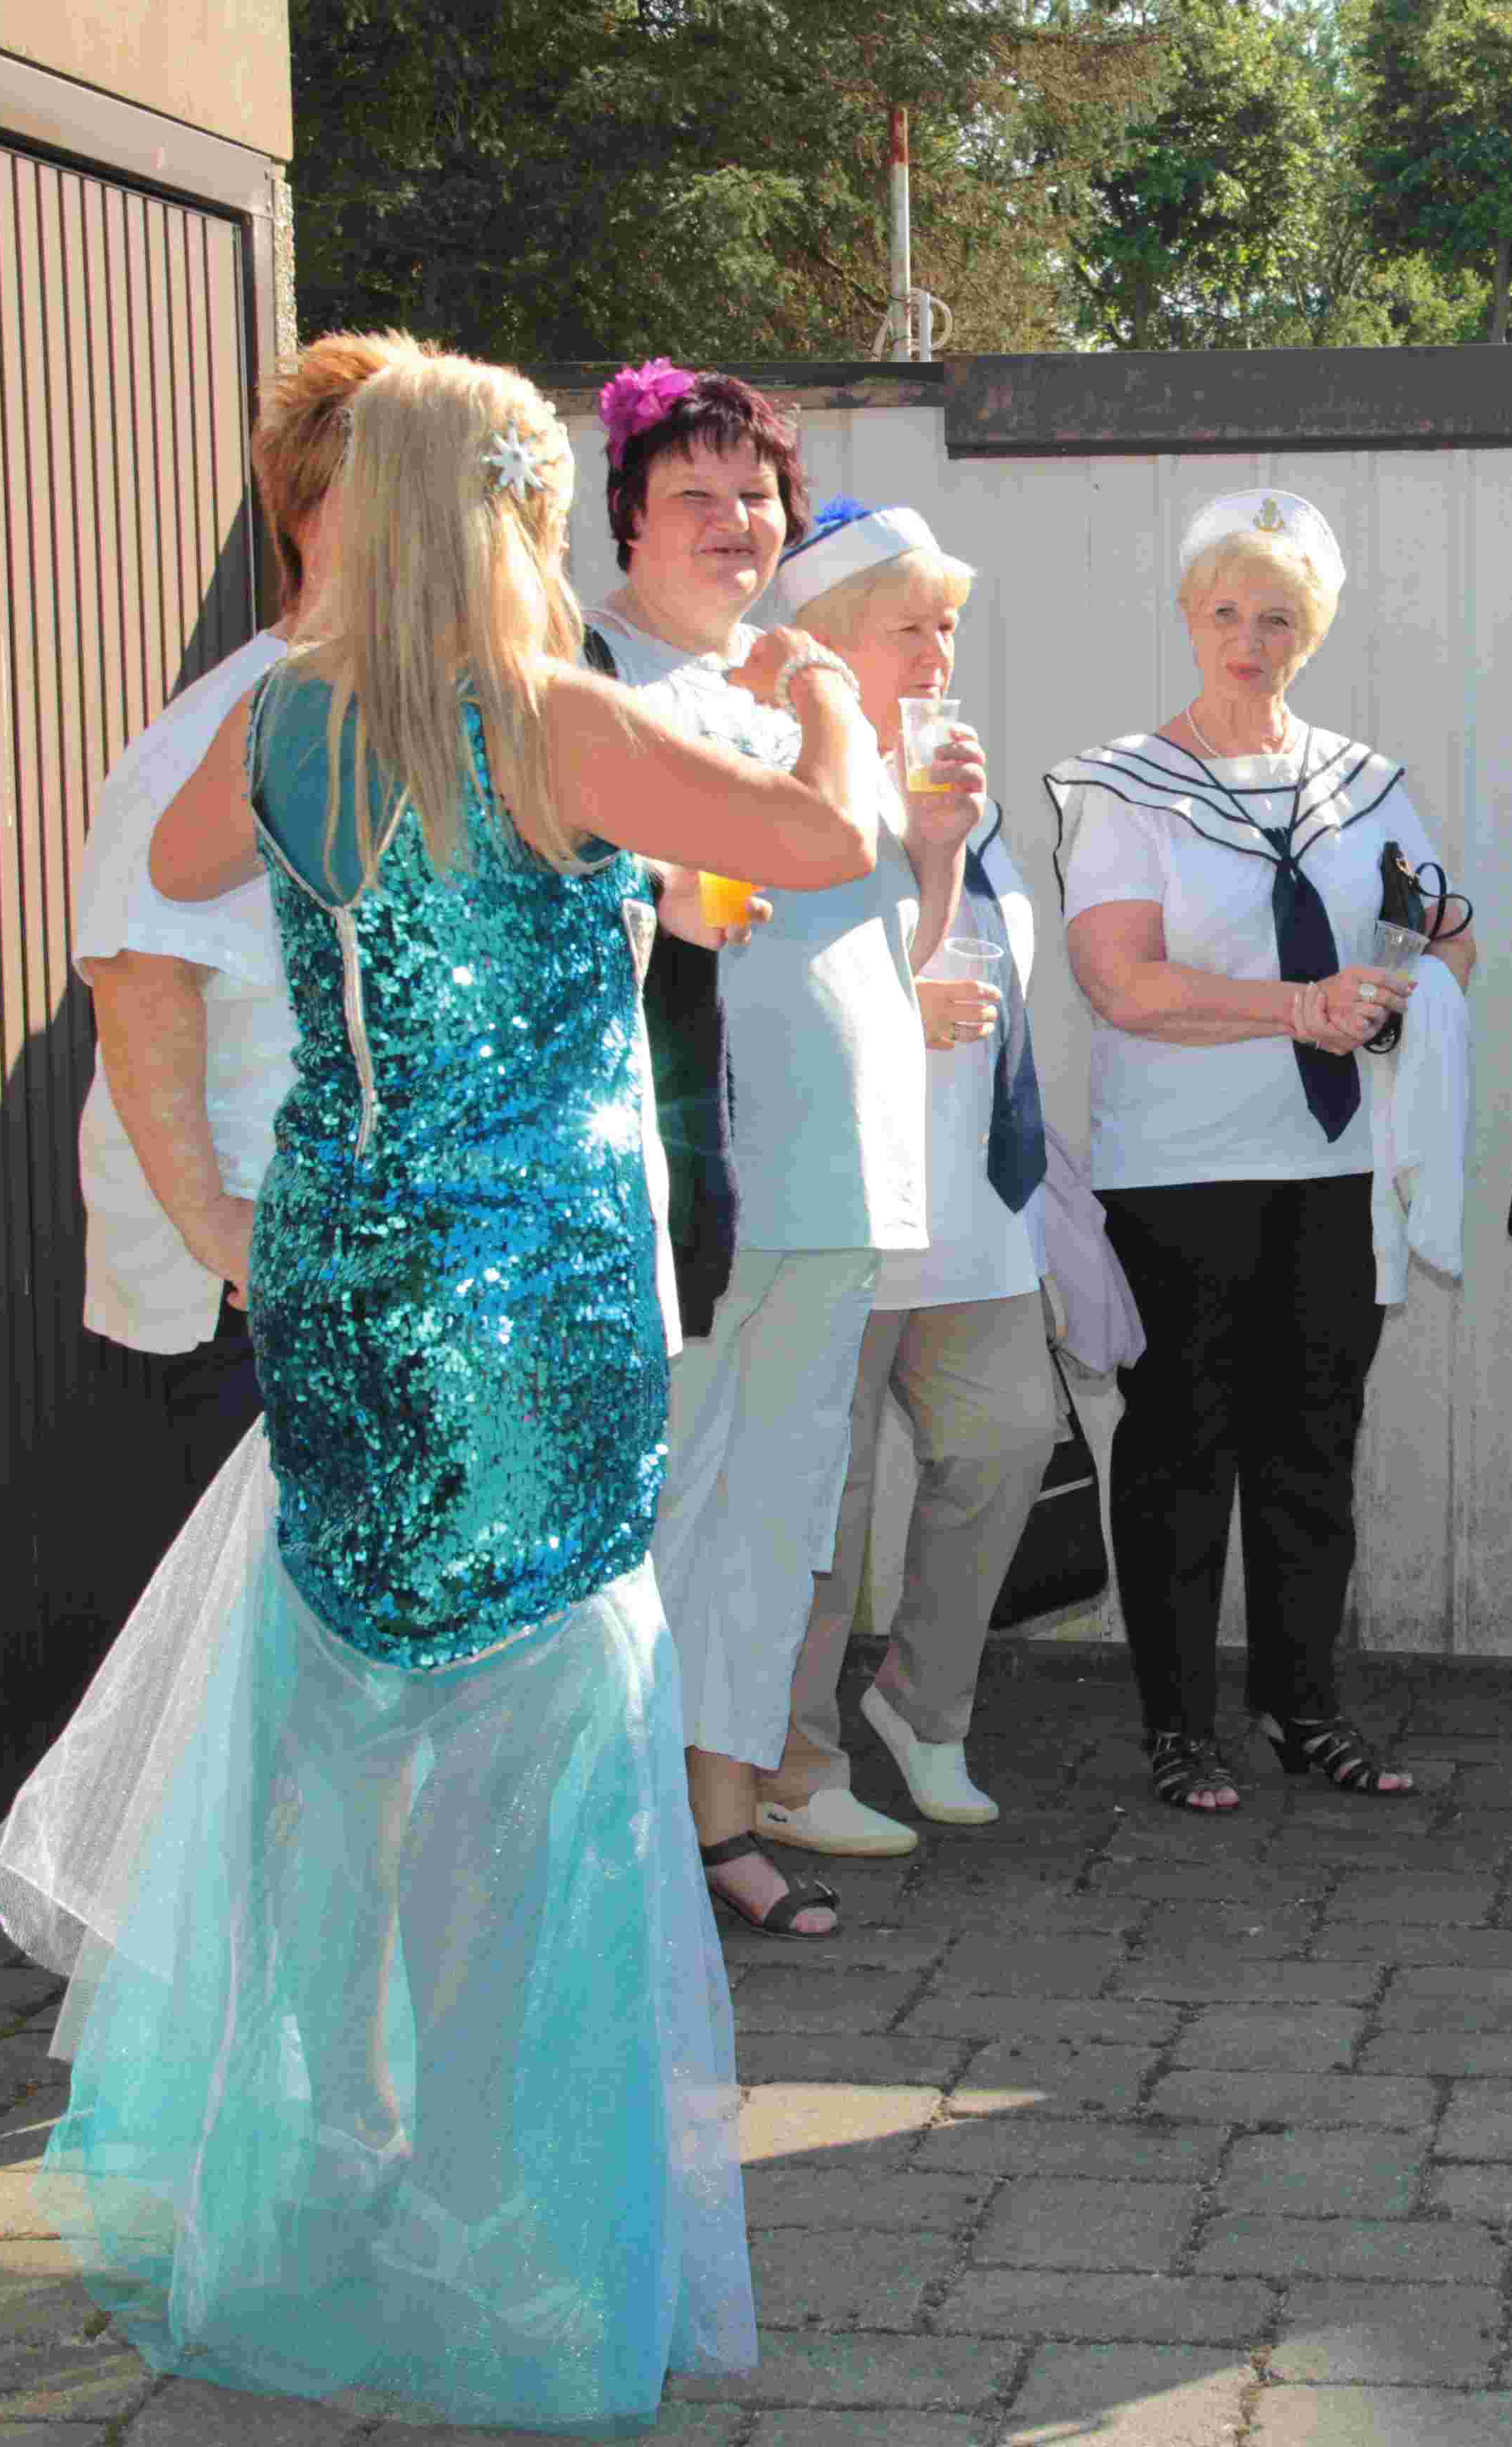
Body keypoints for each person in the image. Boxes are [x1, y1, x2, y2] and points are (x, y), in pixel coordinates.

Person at [0, 353, 884, 2429]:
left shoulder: (282, 721)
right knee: (532, 1749)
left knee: (345, 1733)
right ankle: (512, 2236)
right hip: (529, 1294)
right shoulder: (554, 717)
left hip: (339, 1268)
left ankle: (317, 2191)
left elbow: (177, 880)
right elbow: (825, 834)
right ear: (513, 514)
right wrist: (825, 688)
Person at [590, 363, 961, 1939]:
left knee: (775, 1518)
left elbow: (882, 953)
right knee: (651, 1508)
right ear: (627, 511)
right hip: (689, 1179)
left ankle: (726, 1827)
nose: (733, 521)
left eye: (755, 495)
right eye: (695, 492)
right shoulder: (584, 675)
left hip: (836, 1174)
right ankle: (606, 1845)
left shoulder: (803, 688)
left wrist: (934, 855)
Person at [1047, 489, 1474, 1813]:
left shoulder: (1368, 782)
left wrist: (1390, 996)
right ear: (1189, 619)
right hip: (1178, 1174)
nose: (1250, 639)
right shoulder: (1123, 785)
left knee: (1314, 1447)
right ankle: (1178, 1728)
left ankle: (1304, 1709)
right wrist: (1300, 1007)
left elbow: (1447, 939)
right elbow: (1121, 981)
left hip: (1338, 1169)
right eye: (1227, 612)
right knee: (1183, 1449)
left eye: (1278, 617)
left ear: (1315, 632)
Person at [73, 329, 423, 1464]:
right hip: (242, 1303)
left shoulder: (392, 710)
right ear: (324, 509)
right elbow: (137, 983)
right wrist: (229, 1237)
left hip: (361, 1272)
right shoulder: (226, 730)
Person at [773, 498, 1055, 1847]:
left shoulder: (957, 782)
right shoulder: (789, 775)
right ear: (829, 639)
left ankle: (922, 1705)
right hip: (838, 1197)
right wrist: (907, 1001)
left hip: (965, 1200)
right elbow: (781, 976)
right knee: (822, 1498)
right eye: (909, 627)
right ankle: (793, 1765)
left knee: (1006, 1438)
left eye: (948, 624)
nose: (939, 652)